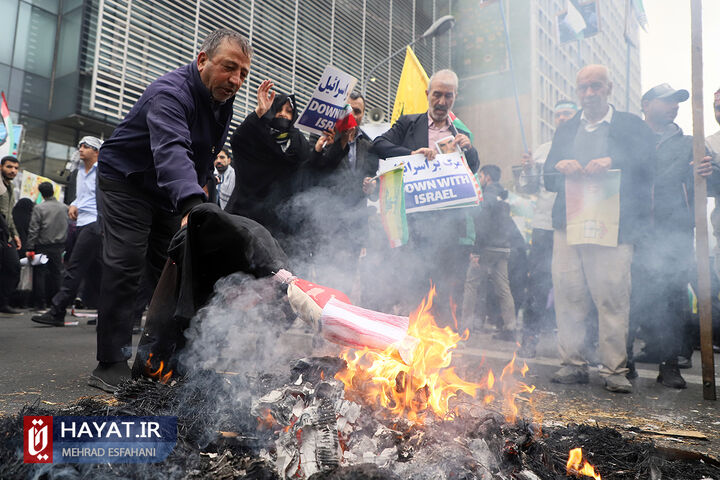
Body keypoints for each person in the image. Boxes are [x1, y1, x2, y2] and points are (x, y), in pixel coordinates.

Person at [90, 28, 251, 392]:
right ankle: (110, 361)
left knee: (175, 269)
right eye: (229, 68)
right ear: (202, 60)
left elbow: (203, 155)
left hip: (165, 191)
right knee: (126, 263)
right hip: (126, 180)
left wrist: (204, 200)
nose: (236, 80)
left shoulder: (220, 101)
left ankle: (161, 357)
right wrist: (193, 204)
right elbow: (172, 150)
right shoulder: (169, 93)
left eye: (243, 73)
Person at [544, 64, 655, 393]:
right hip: (569, 223)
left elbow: (648, 165)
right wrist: (559, 166)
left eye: (596, 87)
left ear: (609, 89)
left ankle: (613, 368)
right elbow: (550, 177)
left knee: (612, 297)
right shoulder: (566, 129)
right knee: (568, 294)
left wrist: (613, 161)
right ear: (577, 92)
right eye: (583, 88)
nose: (589, 94)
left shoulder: (631, 125)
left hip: (614, 225)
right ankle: (572, 363)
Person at [370, 69, 480, 319]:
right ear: (427, 94)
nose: (442, 102)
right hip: (413, 224)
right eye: (437, 95)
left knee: (444, 294)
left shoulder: (460, 132)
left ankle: (438, 349)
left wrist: (469, 149)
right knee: (414, 288)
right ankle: (410, 342)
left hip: (448, 228)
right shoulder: (409, 123)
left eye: (448, 96)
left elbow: (473, 168)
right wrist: (410, 154)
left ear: (455, 97)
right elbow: (378, 145)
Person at [631, 84, 719, 388]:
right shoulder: (630, 138)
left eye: (677, 102)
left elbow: (716, 183)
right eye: (666, 100)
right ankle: (624, 362)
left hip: (675, 234)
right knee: (630, 297)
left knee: (671, 300)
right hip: (632, 231)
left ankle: (670, 366)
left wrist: (710, 171)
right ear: (646, 104)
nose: (674, 106)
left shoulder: (690, 145)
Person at [516, 100, 578, 357]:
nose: (562, 118)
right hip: (544, 226)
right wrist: (528, 169)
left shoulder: (585, 146)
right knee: (538, 284)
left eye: (567, 114)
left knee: (575, 285)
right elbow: (527, 188)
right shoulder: (542, 150)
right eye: (558, 114)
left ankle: (578, 344)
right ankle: (529, 339)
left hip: (576, 226)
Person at [224, 81, 315, 252]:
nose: (283, 115)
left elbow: (308, 168)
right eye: (279, 109)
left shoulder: (298, 144)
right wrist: (259, 113)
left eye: (289, 111)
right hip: (247, 220)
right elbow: (238, 141)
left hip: (280, 230)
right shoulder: (256, 135)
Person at [309, 91, 379, 291]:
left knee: (346, 282)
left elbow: (374, 181)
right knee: (324, 284)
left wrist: (372, 187)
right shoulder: (323, 136)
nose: (352, 114)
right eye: (347, 109)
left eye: (357, 111)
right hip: (326, 223)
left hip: (354, 226)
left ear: (362, 115)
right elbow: (313, 171)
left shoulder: (369, 145)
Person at [32, 136, 104, 327]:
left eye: (86, 146)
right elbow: (83, 196)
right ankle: (107, 315)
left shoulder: (103, 171)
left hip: (96, 223)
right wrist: (73, 204)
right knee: (98, 272)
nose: (81, 149)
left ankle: (57, 311)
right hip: (81, 223)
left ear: (96, 151)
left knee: (75, 267)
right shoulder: (78, 171)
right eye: (80, 145)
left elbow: (107, 196)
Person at [462, 165, 517, 340]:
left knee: (471, 284)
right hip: (504, 247)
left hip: (487, 248)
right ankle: (511, 328)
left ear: (487, 177)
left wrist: (476, 251)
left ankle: (464, 327)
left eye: (480, 175)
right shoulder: (504, 195)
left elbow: (482, 224)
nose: (479, 179)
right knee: (503, 288)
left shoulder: (487, 197)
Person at [26, 182, 68, 309]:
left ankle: (40, 303)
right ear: (53, 191)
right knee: (57, 274)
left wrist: (30, 247)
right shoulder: (64, 207)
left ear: (41, 193)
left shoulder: (39, 208)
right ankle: (56, 303)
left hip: (42, 245)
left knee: (40, 274)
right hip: (59, 246)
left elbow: (34, 229)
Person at [0, 155, 22, 314]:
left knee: (13, 267)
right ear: (1, 167)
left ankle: (3, 302)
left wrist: (15, 234)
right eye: (9, 167)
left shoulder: (11, 187)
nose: (13, 170)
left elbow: (10, 214)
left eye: (15, 168)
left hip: (6, 235)